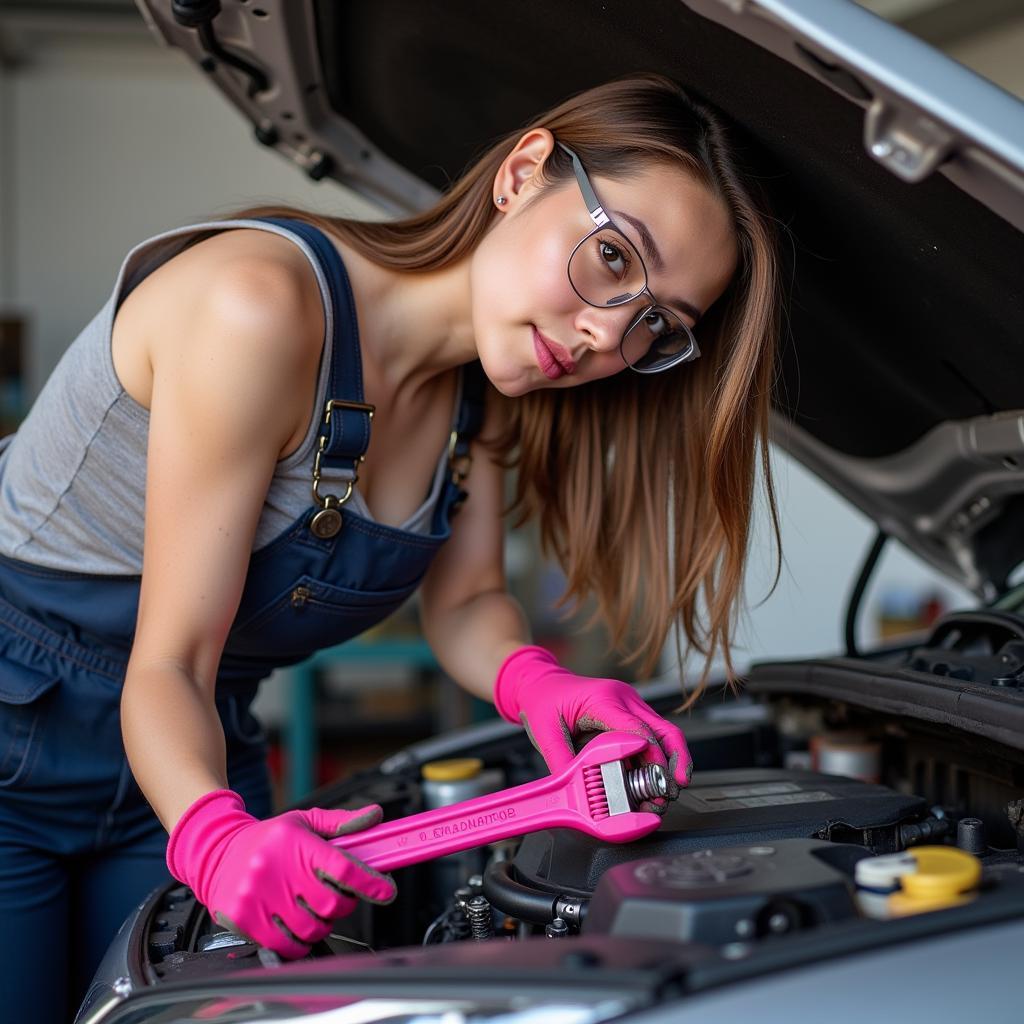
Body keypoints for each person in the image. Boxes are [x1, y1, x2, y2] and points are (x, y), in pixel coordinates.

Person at [0, 72, 782, 1021]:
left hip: (191, 741)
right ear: (524, 172)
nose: (604, 333)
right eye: (614, 257)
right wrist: (213, 838)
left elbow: (464, 606)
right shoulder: (258, 307)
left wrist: (541, 681)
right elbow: (168, 660)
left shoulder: (481, 393)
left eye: (656, 322)